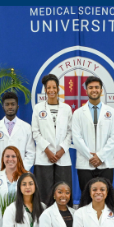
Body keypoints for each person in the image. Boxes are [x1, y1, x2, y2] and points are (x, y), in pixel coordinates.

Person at [71, 76, 114, 192]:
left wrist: (100, 156)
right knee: (86, 196)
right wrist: (90, 157)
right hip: (85, 163)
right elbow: (76, 138)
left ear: (101, 90)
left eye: (97, 87)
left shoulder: (111, 112)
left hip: (105, 162)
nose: (94, 90)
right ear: (86, 90)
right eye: (91, 87)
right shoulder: (78, 113)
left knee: (106, 197)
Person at [31, 73, 73, 203]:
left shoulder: (66, 108)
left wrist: (61, 151)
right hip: (44, 156)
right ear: (45, 90)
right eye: (48, 88)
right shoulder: (38, 108)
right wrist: (48, 151)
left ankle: (65, 217)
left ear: (58, 89)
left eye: (54, 87)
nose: (51, 90)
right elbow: (35, 132)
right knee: (44, 193)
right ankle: (44, 218)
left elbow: (70, 132)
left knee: (63, 190)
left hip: (63, 157)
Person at [0, 92, 35, 172]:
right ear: (3, 107)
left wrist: (21, 169)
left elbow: (31, 153)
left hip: (21, 173)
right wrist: (3, 170)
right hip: (1, 173)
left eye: (13, 104)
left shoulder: (26, 128)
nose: (10, 107)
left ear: (17, 107)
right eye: (7, 104)